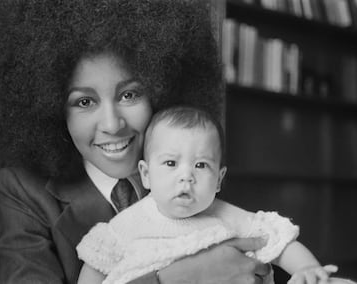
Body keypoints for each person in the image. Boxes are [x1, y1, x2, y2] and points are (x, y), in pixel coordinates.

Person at [0, 0, 272, 283]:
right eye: (84, 101)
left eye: (129, 95)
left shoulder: (193, 169)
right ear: (51, 108)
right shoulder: (24, 192)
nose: (112, 124)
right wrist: (178, 278)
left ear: (163, 89)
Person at [76, 106, 338, 284]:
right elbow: (95, 266)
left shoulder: (231, 218)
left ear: (219, 180)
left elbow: (281, 243)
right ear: (146, 174)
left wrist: (306, 268)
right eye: (170, 163)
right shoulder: (126, 226)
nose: (186, 176)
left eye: (201, 165)